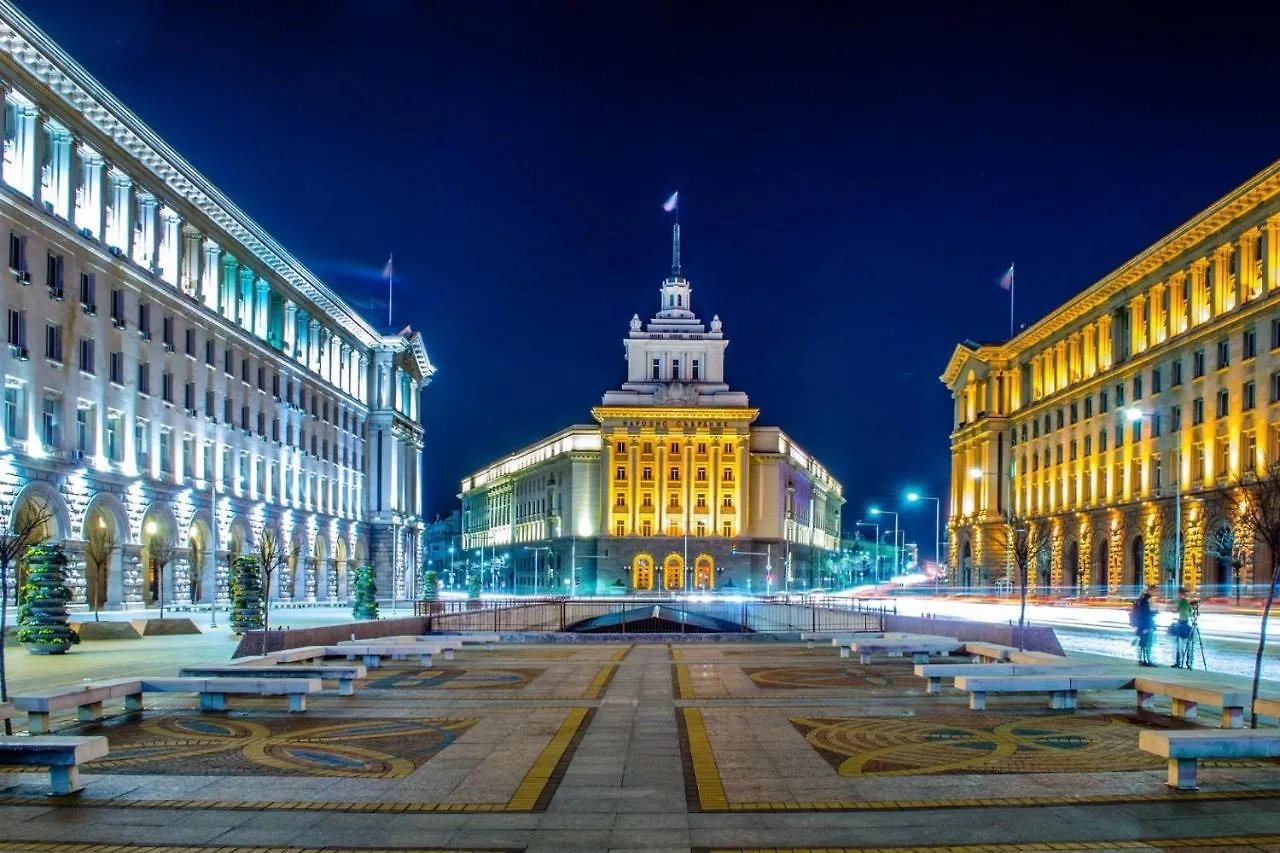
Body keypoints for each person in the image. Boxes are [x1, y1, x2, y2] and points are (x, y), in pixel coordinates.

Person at [1132, 584, 1158, 667]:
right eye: (1154, 591)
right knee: (1147, 643)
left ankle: (1142, 660)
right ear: (1150, 590)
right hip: (1146, 625)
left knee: (1143, 643)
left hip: (1142, 624)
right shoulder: (1145, 600)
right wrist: (1146, 627)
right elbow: (1145, 614)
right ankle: (1146, 660)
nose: (1155, 593)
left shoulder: (1141, 599)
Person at [1170, 587, 1193, 669]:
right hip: (1187, 625)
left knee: (1180, 646)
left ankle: (1179, 663)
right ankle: (1188, 663)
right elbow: (1190, 613)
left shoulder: (1182, 602)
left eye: (1178, 594)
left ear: (1181, 594)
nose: (1177, 595)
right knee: (1188, 646)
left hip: (1182, 625)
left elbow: (1176, 610)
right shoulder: (1186, 602)